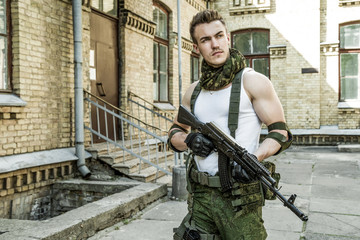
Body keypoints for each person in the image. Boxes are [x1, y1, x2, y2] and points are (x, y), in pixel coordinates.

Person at [168, 9, 292, 240]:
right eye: (205, 39)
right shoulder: (193, 91)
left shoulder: (253, 81)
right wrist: (189, 140)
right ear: (196, 47)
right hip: (201, 195)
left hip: (240, 197)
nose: (214, 44)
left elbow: (280, 132)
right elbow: (175, 132)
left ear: (228, 38)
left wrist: (256, 158)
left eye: (218, 36)